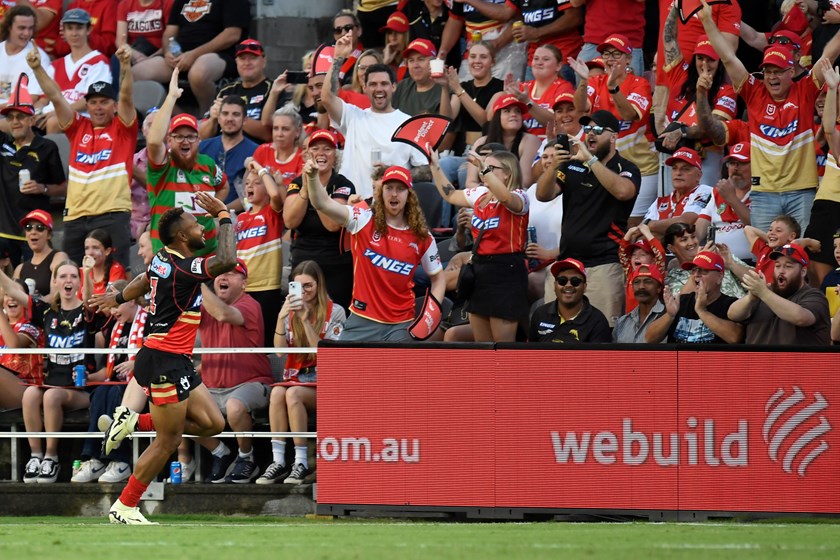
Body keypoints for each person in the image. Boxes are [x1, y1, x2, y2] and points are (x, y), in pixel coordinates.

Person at [90, 190, 237, 525]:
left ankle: (133, 422)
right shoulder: (185, 268)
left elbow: (143, 280)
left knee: (213, 423)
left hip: (173, 358)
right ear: (182, 236)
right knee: (169, 439)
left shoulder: (162, 258)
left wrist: (118, 297)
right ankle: (125, 505)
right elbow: (227, 260)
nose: (202, 228)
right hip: (164, 359)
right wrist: (224, 215)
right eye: (196, 225)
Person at [698, 0, 840, 232]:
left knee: (801, 250)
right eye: (767, 71)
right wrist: (707, 21)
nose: (771, 77)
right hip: (764, 194)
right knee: (765, 250)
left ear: (791, 71)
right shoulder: (754, 91)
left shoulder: (805, 90)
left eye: (778, 71)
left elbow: (829, 55)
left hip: (802, 191)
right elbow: (728, 58)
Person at [306, 161, 446, 341]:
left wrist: (431, 313)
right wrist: (312, 178)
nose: (394, 194)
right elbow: (323, 203)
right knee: (340, 360)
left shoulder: (423, 237)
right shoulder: (362, 219)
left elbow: (438, 278)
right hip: (361, 321)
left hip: (401, 324)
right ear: (381, 192)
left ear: (409, 195)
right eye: (389, 188)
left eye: (400, 189)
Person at [27, 44, 137, 269]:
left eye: (104, 101)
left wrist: (125, 65)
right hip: (75, 217)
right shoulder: (78, 127)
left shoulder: (123, 129)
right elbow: (56, 97)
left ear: (115, 106)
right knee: (74, 276)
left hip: (112, 214)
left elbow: (126, 96)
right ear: (86, 105)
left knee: (116, 276)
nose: (98, 107)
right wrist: (37, 69)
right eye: (93, 102)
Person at [536, 109, 640, 326]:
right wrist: (554, 165)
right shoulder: (572, 164)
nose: (591, 133)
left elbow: (623, 192)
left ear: (613, 136)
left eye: (599, 129)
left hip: (604, 265)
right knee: (554, 330)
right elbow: (543, 195)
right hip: (566, 263)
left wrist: (592, 161)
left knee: (602, 331)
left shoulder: (626, 168)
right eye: (588, 128)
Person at [0, 261, 95, 483]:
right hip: (52, 383)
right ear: (55, 282)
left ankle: (51, 457)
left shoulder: (85, 310)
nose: (68, 280)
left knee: (51, 396)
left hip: (80, 389)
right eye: (63, 276)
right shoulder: (46, 311)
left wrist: (88, 273)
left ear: (78, 282)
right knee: (31, 394)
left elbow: (90, 300)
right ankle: (36, 456)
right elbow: (12, 289)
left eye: (73, 276)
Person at [258, 260, 346, 485]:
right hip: (297, 376)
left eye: (309, 285)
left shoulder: (335, 311)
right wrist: (281, 317)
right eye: (299, 286)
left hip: (325, 379)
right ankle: (278, 461)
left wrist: (306, 321)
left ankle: (301, 462)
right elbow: (279, 351)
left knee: (292, 394)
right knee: (278, 393)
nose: (304, 291)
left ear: (319, 285)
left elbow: (326, 355)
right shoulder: (289, 313)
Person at [431, 148, 528, 342]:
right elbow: (451, 195)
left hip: (505, 271)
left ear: (508, 173)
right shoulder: (481, 194)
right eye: (484, 167)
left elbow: (506, 199)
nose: (484, 171)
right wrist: (435, 165)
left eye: (491, 168)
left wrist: (483, 168)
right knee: (482, 345)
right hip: (480, 270)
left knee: (501, 347)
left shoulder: (520, 195)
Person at [190, 259, 273, 484]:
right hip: (212, 388)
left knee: (235, 406)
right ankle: (221, 452)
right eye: (219, 274)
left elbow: (223, 314)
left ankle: (247, 458)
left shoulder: (249, 304)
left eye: (230, 273)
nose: (223, 277)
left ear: (244, 283)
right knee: (175, 407)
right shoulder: (205, 307)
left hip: (251, 383)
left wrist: (195, 281)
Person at [321, 30, 426, 200]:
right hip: (352, 204)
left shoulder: (409, 124)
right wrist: (338, 58)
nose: (379, 89)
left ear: (394, 87)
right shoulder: (353, 116)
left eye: (384, 84)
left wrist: (394, 173)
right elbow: (327, 98)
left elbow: (426, 169)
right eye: (373, 84)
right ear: (365, 87)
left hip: (391, 206)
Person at [570, 33, 657, 226]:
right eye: (607, 54)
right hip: (604, 167)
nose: (610, 59)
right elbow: (580, 107)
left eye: (616, 54)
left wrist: (613, 88)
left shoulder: (639, 84)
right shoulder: (596, 81)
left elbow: (629, 114)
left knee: (630, 224)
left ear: (628, 58)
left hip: (642, 167)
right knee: (601, 221)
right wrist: (583, 80)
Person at [147, 68, 228, 257]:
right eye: (179, 136)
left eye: (191, 136)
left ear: (199, 140)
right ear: (169, 140)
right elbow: (153, 142)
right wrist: (171, 97)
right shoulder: (163, 166)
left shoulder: (208, 164)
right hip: (171, 259)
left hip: (208, 257)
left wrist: (214, 209)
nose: (185, 141)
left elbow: (223, 186)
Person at [71, 279, 142, 484]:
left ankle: (120, 460)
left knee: (114, 392)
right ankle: (95, 459)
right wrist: (90, 378)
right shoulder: (113, 327)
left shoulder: (149, 321)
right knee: (101, 391)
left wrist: (137, 364)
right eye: (110, 306)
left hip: (141, 387)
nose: (113, 311)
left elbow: (159, 355)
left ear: (131, 300)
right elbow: (108, 371)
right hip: (116, 385)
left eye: (116, 304)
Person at [660, 4, 737, 185]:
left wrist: (682, 132)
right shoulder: (681, 74)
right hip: (672, 153)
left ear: (720, 61)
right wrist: (677, 7)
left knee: (702, 203)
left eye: (711, 59)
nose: (704, 64)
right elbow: (668, 38)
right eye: (700, 58)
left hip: (706, 157)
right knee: (670, 202)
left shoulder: (727, 91)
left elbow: (711, 127)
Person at [131, 0, 249, 114]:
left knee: (198, 73)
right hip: (180, 56)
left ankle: (206, 116)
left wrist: (194, 54)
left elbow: (232, 35)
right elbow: (170, 32)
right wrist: (167, 52)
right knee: (135, 74)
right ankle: (180, 116)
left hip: (218, 54)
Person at [284, 129, 355, 311]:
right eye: (315, 149)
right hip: (301, 261)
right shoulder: (297, 183)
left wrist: (315, 187)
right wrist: (306, 188)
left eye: (327, 149)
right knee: (297, 312)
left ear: (335, 156)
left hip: (336, 265)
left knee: (336, 316)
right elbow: (290, 222)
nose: (321, 153)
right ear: (307, 154)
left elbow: (333, 225)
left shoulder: (344, 184)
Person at [729, 243, 831, 346]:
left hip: (796, 356)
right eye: (777, 266)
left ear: (803, 272)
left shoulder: (814, 296)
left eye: (788, 266)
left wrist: (763, 293)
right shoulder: (764, 290)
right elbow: (733, 315)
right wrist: (751, 297)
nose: (781, 271)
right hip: (757, 356)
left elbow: (801, 318)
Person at [38, 8, 113, 134]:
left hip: (82, 117)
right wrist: (33, 112)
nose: (74, 33)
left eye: (79, 28)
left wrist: (59, 112)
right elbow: (44, 99)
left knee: (54, 122)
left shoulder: (99, 62)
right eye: (70, 28)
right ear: (64, 32)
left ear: (88, 30)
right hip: (50, 115)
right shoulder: (56, 65)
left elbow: (93, 99)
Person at [235, 160, 285, 348]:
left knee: (265, 341)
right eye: (247, 183)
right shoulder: (241, 218)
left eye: (257, 183)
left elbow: (275, 194)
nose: (250, 186)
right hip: (243, 287)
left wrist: (258, 166)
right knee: (244, 339)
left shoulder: (271, 212)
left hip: (267, 287)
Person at [646, 250, 743, 344]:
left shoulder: (732, 305)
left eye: (703, 271)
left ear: (720, 277)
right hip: (679, 356)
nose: (696, 275)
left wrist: (702, 311)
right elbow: (649, 339)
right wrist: (669, 316)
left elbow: (735, 338)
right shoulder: (681, 301)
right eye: (693, 270)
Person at [197, 39, 272, 144]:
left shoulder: (274, 89)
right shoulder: (226, 90)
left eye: (253, 58)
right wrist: (213, 119)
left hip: (256, 151)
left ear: (264, 61)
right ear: (236, 62)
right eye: (242, 58)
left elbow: (270, 134)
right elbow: (202, 136)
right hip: (221, 150)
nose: (247, 63)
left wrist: (232, 114)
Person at [806, 60, 840, 286]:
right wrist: (832, 89)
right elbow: (828, 129)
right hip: (828, 205)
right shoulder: (837, 128)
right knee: (818, 277)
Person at [528, 258, 611, 343]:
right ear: (554, 285)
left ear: (584, 287)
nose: (568, 285)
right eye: (562, 281)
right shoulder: (540, 314)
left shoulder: (597, 321)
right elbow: (530, 349)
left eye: (575, 281)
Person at [198, 95, 259, 212]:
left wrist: (221, 211)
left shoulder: (256, 151)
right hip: (200, 212)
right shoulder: (202, 147)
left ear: (244, 120)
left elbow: (253, 194)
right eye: (225, 114)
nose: (230, 119)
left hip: (237, 215)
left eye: (236, 114)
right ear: (219, 118)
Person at [466, 95, 541, 188]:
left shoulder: (530, 140)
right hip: (484, 192)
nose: (514, 114)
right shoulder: (481, 142)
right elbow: (470, 182)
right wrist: (485, 193)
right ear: (497, 117)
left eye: (518, 111)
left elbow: (524, 182)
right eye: (507, 111)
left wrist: (496, 192)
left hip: (514, 194)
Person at [696, 142, 753, 262]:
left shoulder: (761, 192)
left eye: (742, 163)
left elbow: (756, 225)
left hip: (749, 263)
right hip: (718, 264)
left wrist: (731, 198)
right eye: (732, 163)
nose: (735, 168)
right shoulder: (717, 192)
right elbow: (699, 231)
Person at [643, 147, 714, 237]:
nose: (678, 173)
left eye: (686, 169)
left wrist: (650, 225)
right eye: (674, 168)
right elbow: (640, 232)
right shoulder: (659, 202)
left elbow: (685, 222)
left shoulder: (705, 191)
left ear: (698, 175)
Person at [571, 0, 646, 77]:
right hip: (594, 40)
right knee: (585, 83)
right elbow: (575, 2)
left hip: (628, 42)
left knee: (631, 84)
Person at [0, 278, 43, 409]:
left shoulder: (33, 325)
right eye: (7, 294)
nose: (12, 298)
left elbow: (14, 345)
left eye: (16, 293)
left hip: (27, 390)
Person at [0, 6, 51, 111]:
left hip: (14, 114)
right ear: (9, 27)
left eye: (30, 28)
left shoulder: (38, 58)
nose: (27, 33)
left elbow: (31, 98)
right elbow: (4, 91)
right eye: (22, 28)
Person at [13, 209, 68, 300]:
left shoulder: (58, 257)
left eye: (40, 228)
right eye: (28, 227)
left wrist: (33, 305)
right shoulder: (20, 269)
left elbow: (56, 294)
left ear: (49, 235)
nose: (33, 232)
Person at [392, 38, 451, 118]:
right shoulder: (402, 86)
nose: (415, 65)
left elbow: (446, 121)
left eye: (421, 59)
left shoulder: (446, 87)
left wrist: (444, 88)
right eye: (411, 60)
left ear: (433, 63)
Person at [251, 104, 304, 189]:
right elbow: (249, 184)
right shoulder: (263, 150)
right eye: (275, 128)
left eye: (285, 129)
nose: (279, 134)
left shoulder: (302, 157)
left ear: (297, 132)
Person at [612, 264, 667, 344]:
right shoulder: (621, 322)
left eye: (647, 282)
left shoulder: (668, 317)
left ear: (659, 288)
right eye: (636, 282)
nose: (641, 286)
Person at [115, 0, 174, 66]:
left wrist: (151, 58)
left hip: (159, 52)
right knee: (117, 59)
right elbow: (120, 42)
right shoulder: (125, 4)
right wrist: (136, 55)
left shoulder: (167, 3)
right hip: (134, 51)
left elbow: (172, 39)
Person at [52, 0, 117, 58]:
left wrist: (84, 36)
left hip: (97, 60)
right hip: (71, 59)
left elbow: (110, 46)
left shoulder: (110, 4)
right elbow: (60, 49)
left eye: (79, 28)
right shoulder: (74, 4)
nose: (74, 33)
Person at [79, 229, 127, 297]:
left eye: (95, 248)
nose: (90, 253)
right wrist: (86, 274)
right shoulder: (82, 271)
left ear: (107, 251)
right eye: (87, 248)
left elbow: (111, 299)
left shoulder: (116, 269)